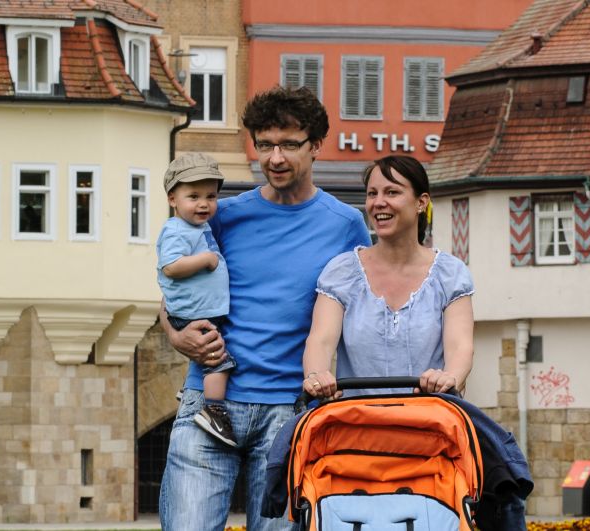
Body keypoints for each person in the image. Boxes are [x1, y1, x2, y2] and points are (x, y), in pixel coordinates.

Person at [159, 86, 372, 531]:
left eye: (289, 145)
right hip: (209, 402)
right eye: (265, 145)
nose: (275, 157)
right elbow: (173, 289)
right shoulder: (222, 215)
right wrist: (175, 335)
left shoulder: (345, 224)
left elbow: (364, 313)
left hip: (289, 413)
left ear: (316, 146)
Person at [301, 155, 474, 398]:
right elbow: (321, 339)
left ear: (421, 203)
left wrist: (450, 376)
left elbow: (460, 346)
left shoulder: (450, 274)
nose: (378, 202)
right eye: (372, 194)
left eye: (392, 193)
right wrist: (316, 375)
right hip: (356, 423)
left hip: (428, 422)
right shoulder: (342, 272)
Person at [157, 153, 237, 447]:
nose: (203, 203)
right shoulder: (177, 231)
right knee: (218, 362)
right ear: (172, 199)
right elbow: (170, 267)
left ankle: (194, 390)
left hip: (199, 310)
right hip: (194, 314)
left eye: (210, 196)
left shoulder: (195, 227)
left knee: (211, 358)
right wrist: (205, 260)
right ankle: (214, 410)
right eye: (193, 196)